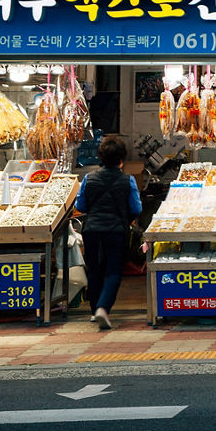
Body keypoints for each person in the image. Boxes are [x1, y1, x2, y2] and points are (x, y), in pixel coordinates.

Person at [75, 135, 141, 330]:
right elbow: (136, 208)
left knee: (94, 270)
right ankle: (103, 308)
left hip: (92, 230)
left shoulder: (89, 178)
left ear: (101, 157)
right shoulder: (128, 180)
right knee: (113, 271)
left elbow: (80, 205)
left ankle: (94, 311)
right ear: (121, 158)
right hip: (116, 231)